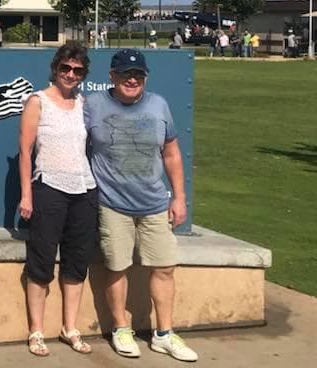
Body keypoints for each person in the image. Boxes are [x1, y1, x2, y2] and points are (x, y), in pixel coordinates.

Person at [84, 49, 198, 362]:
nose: (132, 79)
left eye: (138, 75)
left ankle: (164, 334)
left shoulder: (158, 104)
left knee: (164, 267)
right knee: (117, 267)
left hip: (154, 203)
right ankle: (122, 328)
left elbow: (172, 153)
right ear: (112, 76)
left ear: (145, 77)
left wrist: (179, 197)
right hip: (112, 204)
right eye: (125, 74)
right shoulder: (93, 105)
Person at [18, 41, 97, 357]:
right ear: (55, 68)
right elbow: (25, 151)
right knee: (41, 262)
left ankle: (70, 328)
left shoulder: (84, 104)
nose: (70, 74)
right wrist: (27, 194)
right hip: (48, 188)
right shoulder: (37, 101)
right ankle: (36, 331)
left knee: (77, 263)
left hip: (84, 191)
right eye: (65, 68)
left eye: (77, 70)